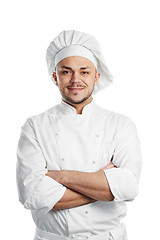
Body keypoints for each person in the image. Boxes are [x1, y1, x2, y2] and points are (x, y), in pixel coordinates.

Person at [16, 30, 142, 240]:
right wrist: (105, 186)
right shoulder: (34, 126)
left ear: (96, 77)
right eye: (67, 72)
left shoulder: (120, 124)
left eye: (84, 72)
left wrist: (58, 176)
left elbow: (128, 187)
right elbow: (32, 195)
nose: (76, 80)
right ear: (56, 77)